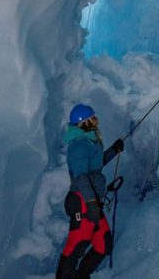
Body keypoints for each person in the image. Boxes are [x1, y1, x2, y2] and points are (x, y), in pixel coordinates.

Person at [56, 104, 125, 279]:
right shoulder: (79, 145)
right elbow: (80, 176)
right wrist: (91, 202)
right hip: (83, 201)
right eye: (92, 119)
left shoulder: (88, 142)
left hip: (90, 201)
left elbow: (95, 165)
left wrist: (113, 151)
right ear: (83, 123)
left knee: (103, 244)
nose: (96, 122)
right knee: (76, 246)